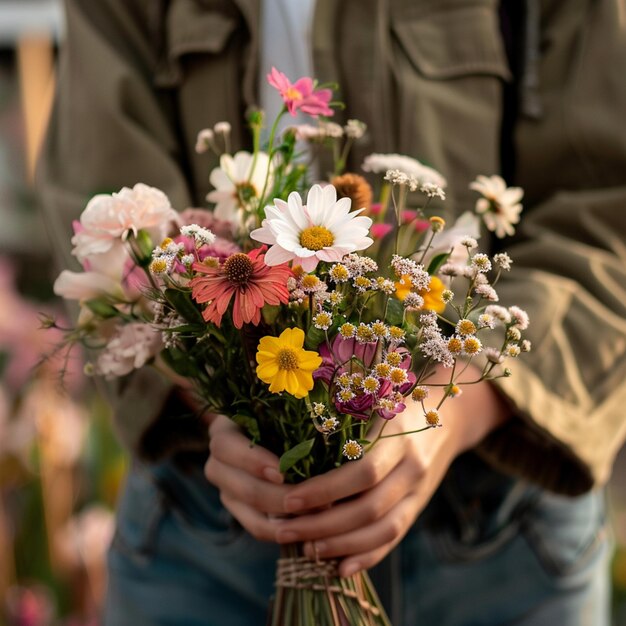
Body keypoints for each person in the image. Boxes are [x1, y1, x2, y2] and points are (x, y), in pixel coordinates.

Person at [37, 0, 626, 624]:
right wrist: (227, 403)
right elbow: (104, 195)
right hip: (210, 521)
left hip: (496, 533)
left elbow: (604, 209)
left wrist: (446, 409)